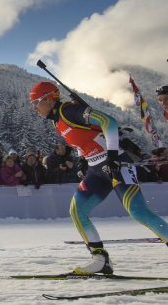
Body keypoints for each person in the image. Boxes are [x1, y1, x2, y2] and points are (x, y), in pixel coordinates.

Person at [30, 81, 168, 275]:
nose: (34, 108)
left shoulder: (69, 111)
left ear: (48, 99)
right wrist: (82, 161)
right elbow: (84, 139)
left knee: (138, 212)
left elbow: (109, 122)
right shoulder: (57, 121)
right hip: (96, 170)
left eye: (36, 102)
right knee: (76, 211)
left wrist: (112, 154)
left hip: (117, 164)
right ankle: (100, 259)